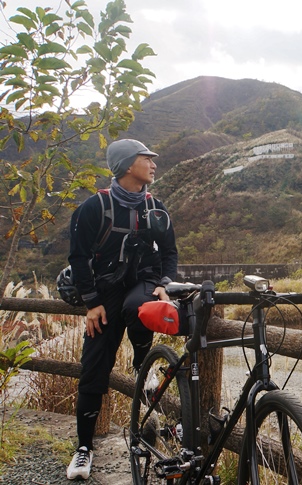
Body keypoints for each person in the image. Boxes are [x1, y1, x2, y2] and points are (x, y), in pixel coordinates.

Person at [66, 139, 178, 480]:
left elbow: (170, 251)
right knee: (93, 367)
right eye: (147, 158)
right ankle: (84, 449)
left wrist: (165, 282)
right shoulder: (95, 207)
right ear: (129, 164)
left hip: (143, 284)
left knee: (138, 307)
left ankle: (142, 364)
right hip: (104, 294)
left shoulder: (155, 206)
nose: (153, 163)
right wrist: (92, 302)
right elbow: (78, 257)